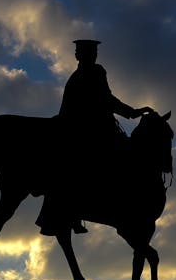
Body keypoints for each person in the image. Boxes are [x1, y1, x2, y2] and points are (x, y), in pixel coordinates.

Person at [36, 39, 153, 235]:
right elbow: (106, 99)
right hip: (91, 129)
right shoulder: (96, 72)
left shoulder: (77, 75)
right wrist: (132, 112)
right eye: (90, 52)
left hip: (78, 128)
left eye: (93, 52)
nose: (93, 56)